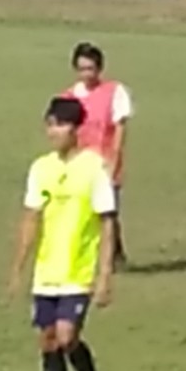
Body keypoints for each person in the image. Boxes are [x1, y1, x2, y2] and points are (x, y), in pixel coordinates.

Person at [8, 97, 118, 371]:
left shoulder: (93, 167)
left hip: (79, 269)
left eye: (60, 125)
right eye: (50, 124)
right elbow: (31, 218)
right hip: (47, 271)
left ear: (76, 129)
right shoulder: (41, 168)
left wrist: (104, 275)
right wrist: (18, 267)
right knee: (48, 339)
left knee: (68, 337)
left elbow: (107, 222)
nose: (53, 132)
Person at [63, 41, 133, 271]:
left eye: (91, 69)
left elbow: (119, 127)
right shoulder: (70, 97)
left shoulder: (114, 92)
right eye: (82, 69)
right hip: (79, 161)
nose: (87, 74)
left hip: (104, 161)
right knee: (82, 211)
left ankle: (113, 254)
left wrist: (114, 159)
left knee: (107, 210)